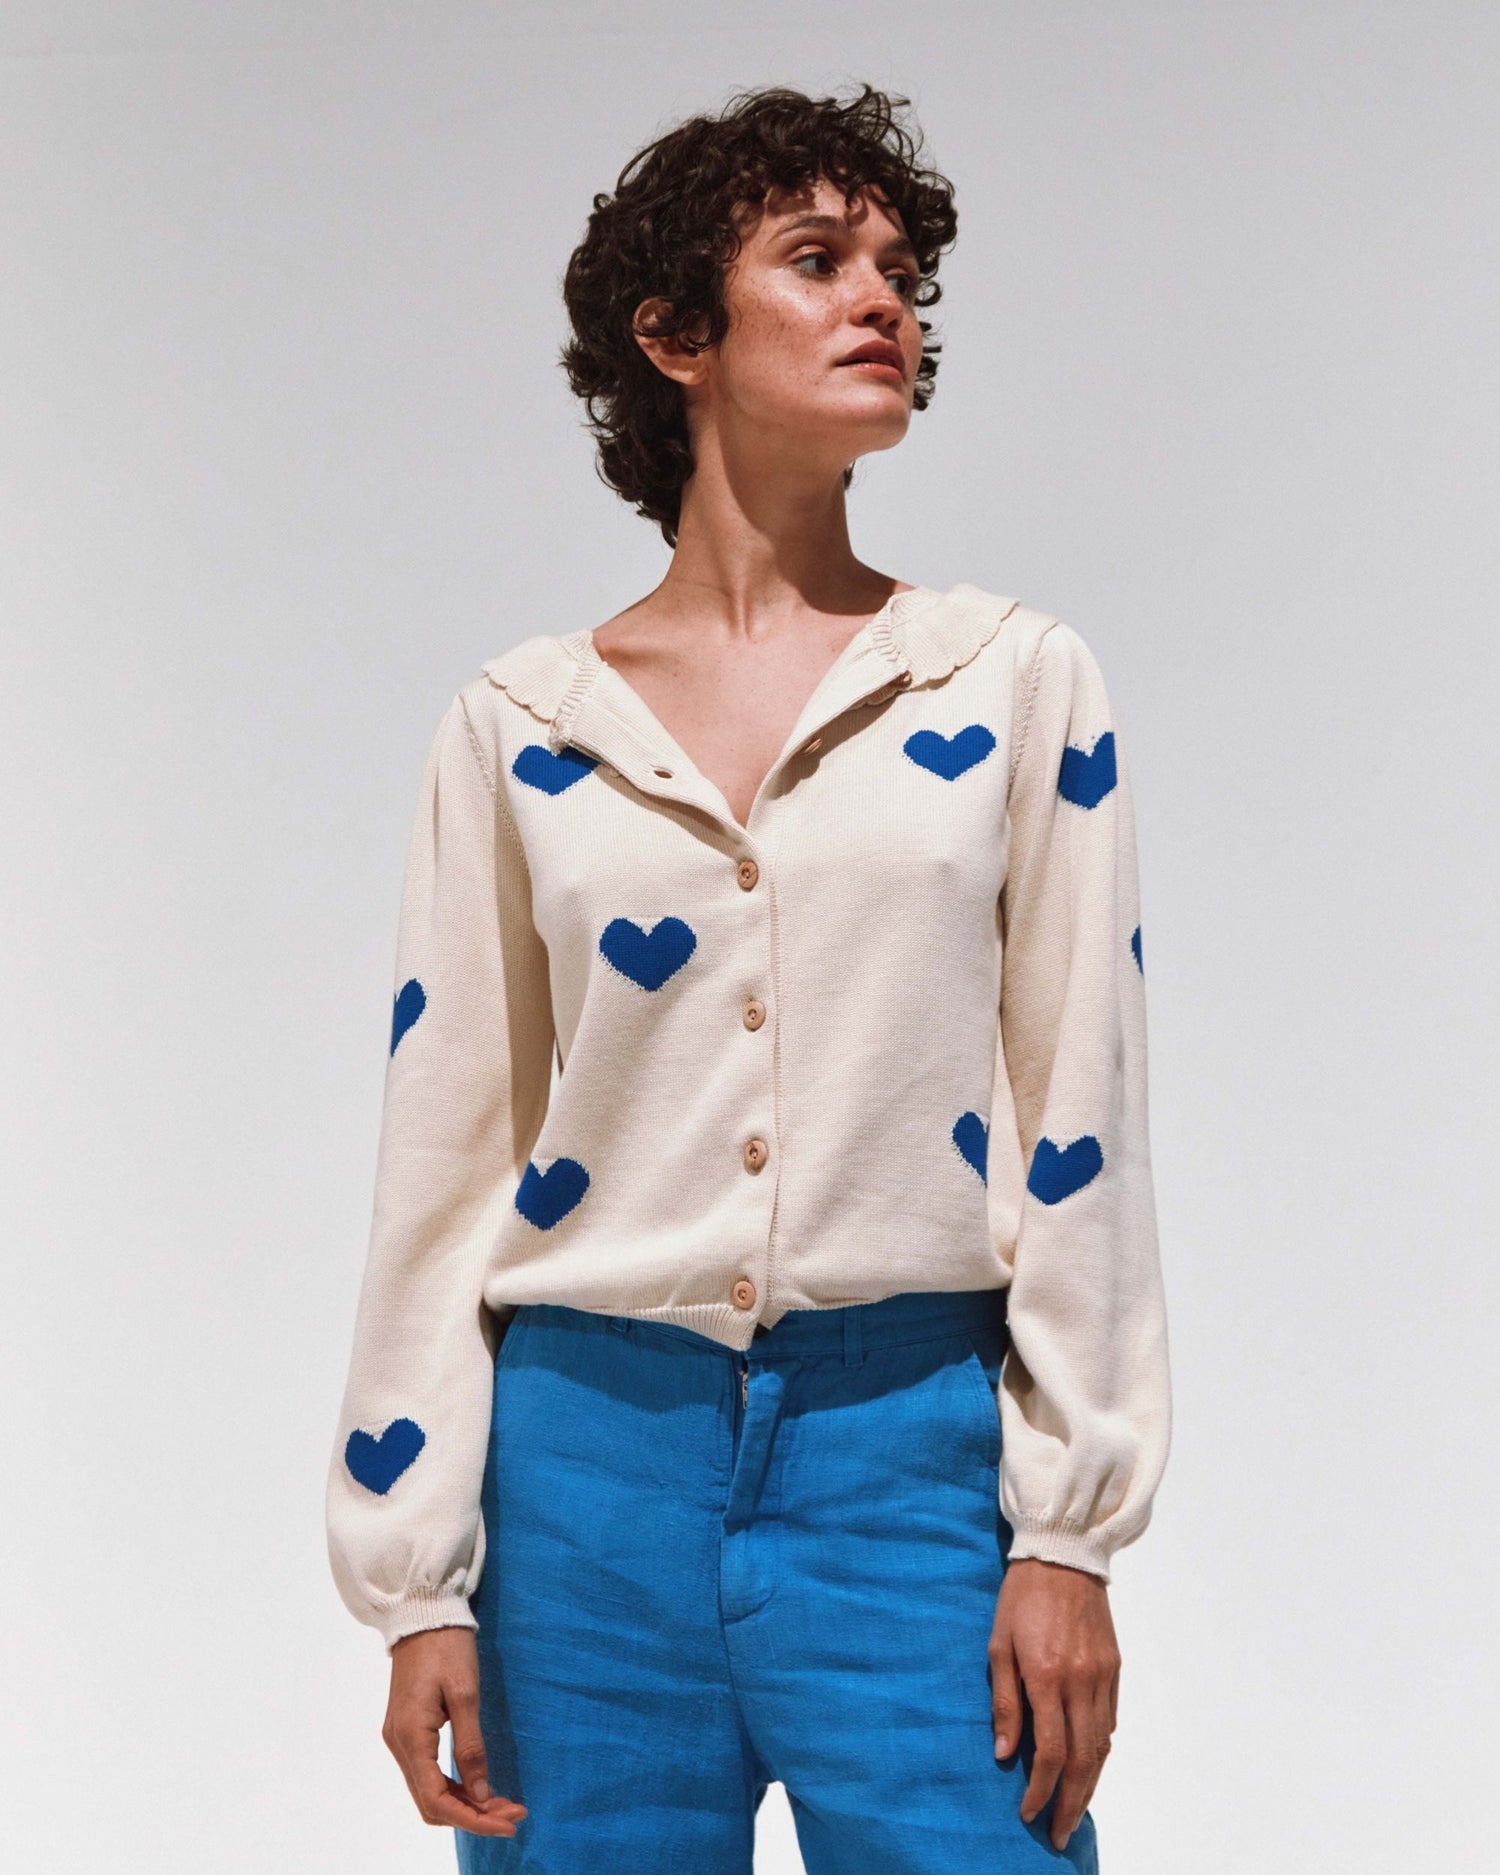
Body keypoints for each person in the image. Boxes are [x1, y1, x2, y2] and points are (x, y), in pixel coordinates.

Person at [325, 81, 1172, 1874]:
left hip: (911, 1460)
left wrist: (1068, 1535)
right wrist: (415, 1582)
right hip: (580, 1479)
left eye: (900, 272)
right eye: (818, 258)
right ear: (675, 336)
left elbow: (1081, 1116)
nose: (885, 301)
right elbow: (446, 1157)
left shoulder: (1010, 685)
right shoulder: (523, 728)